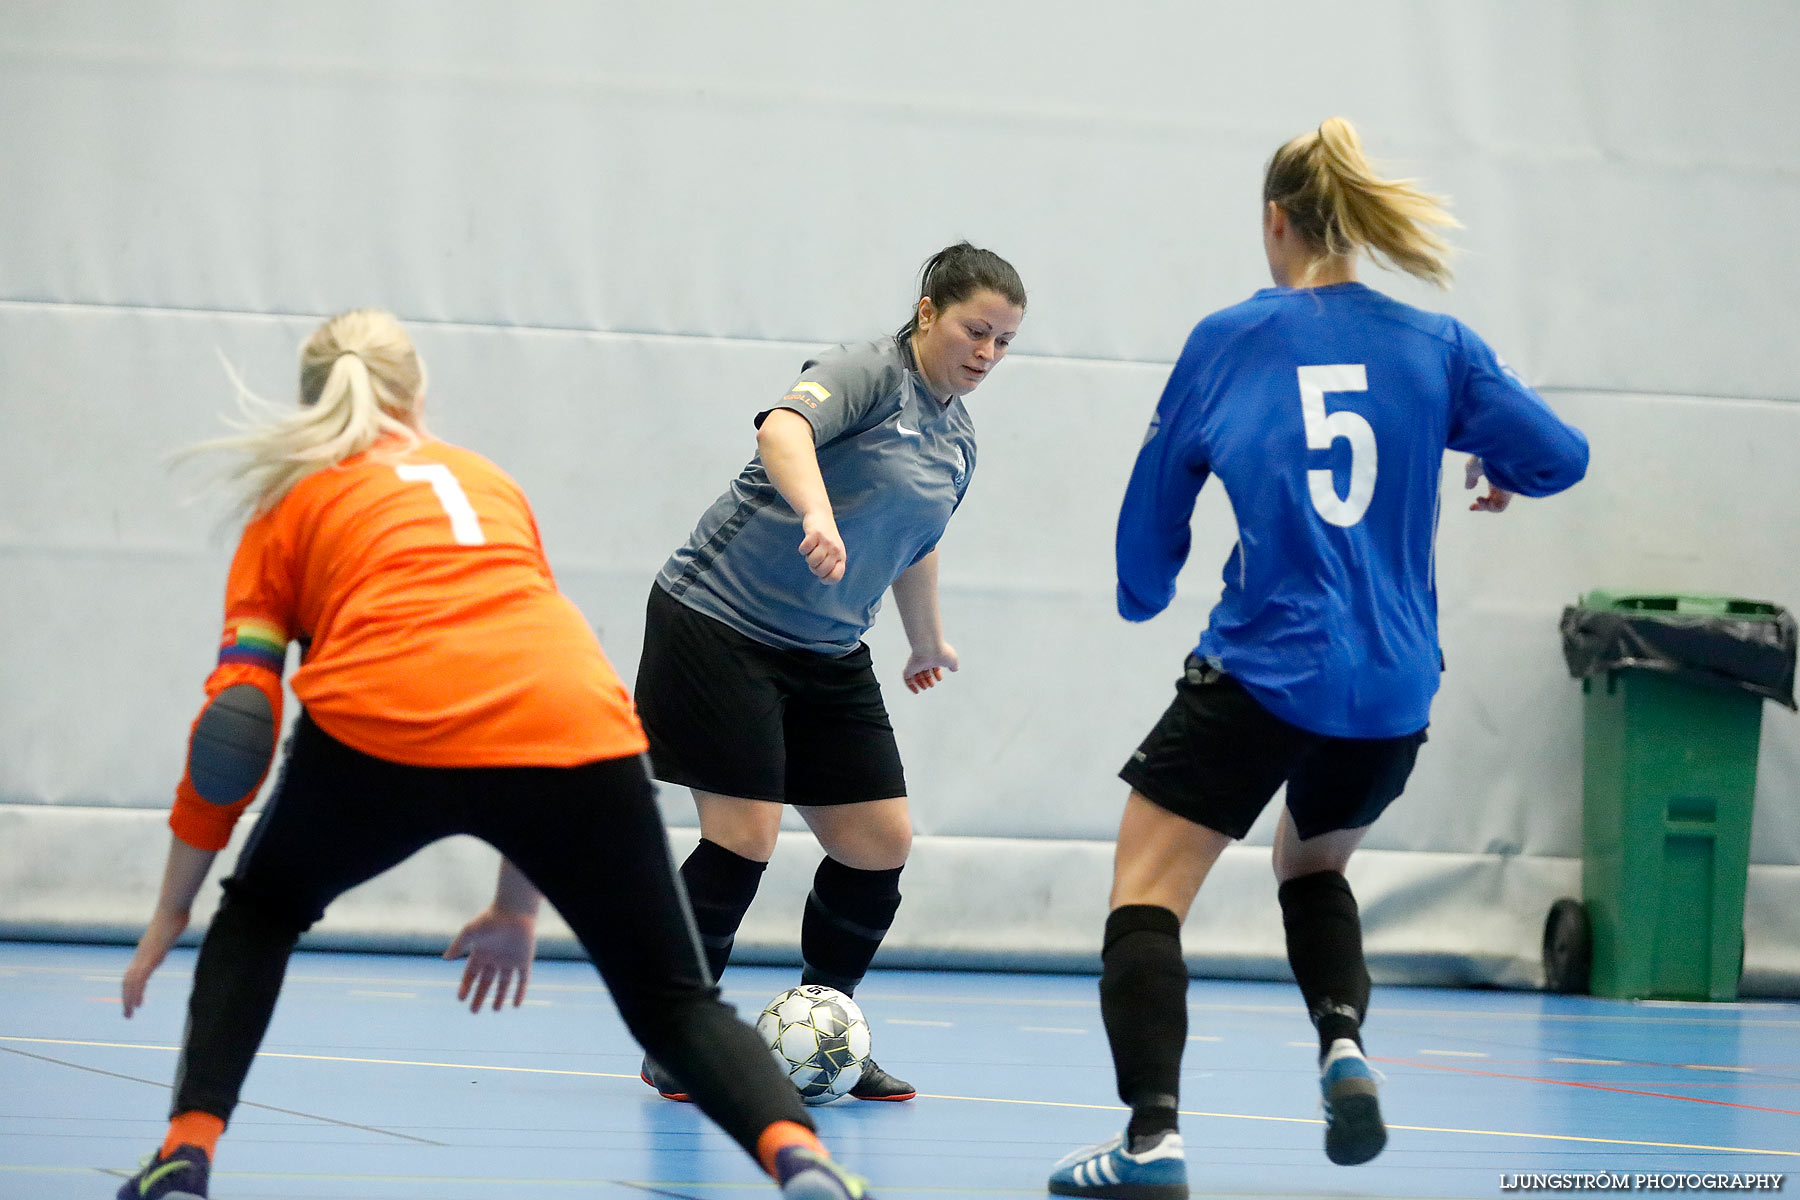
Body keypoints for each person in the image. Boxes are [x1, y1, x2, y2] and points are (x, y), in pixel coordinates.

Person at [113, 310, 873, 1200]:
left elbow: (235, 728)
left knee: (261, 914)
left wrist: (173, 907)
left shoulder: (292, 507)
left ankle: (185, 1153)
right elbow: (516, 700)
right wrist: (517, 909)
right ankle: (802, 1159)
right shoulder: (488, 482)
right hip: (574, 722)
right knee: (675, 1001)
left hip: (381, 727)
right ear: (419, 392)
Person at [1048, 119, 1589, 1199]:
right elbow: (1561, 456)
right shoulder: (1435, 344)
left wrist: (1141, 592)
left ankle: (1152, 1142)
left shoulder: (1233, 338)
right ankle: (1343, 1046)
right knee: (1314, 865)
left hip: (1263, 666)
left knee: (1145, 894)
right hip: (1391, 690)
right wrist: (1490, 454)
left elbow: (1152, 520)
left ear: (1276, 223)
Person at [634, 242, 1025, 1102]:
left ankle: (829, 1033)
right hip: (718, 623)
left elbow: (915, 543)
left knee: (878, 842)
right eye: (974, 330)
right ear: (929, 312)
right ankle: (678, 1036)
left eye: (1003, 342)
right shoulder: (867, 373)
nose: (986, 355)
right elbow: (784, 428)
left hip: (826, 651)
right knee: (745, 835)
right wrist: (816, 512)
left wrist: (927, 641)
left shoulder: (957, 439)